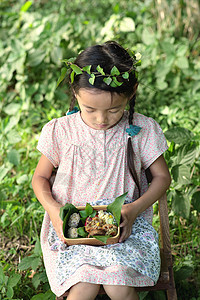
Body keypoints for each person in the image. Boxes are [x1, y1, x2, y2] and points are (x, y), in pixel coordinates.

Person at [32, 41, 171, 300]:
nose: (101, 119)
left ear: (132, 93)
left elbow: (162, 177)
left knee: (119, 285)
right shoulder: (61, 131)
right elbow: (39, 177)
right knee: (83, 287)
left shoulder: (142, 130)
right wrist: (54, 212)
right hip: (72, 232)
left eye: (114, 109)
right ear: (75, 94)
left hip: (125, 231)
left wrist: (133, 209)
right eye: (90, 109)